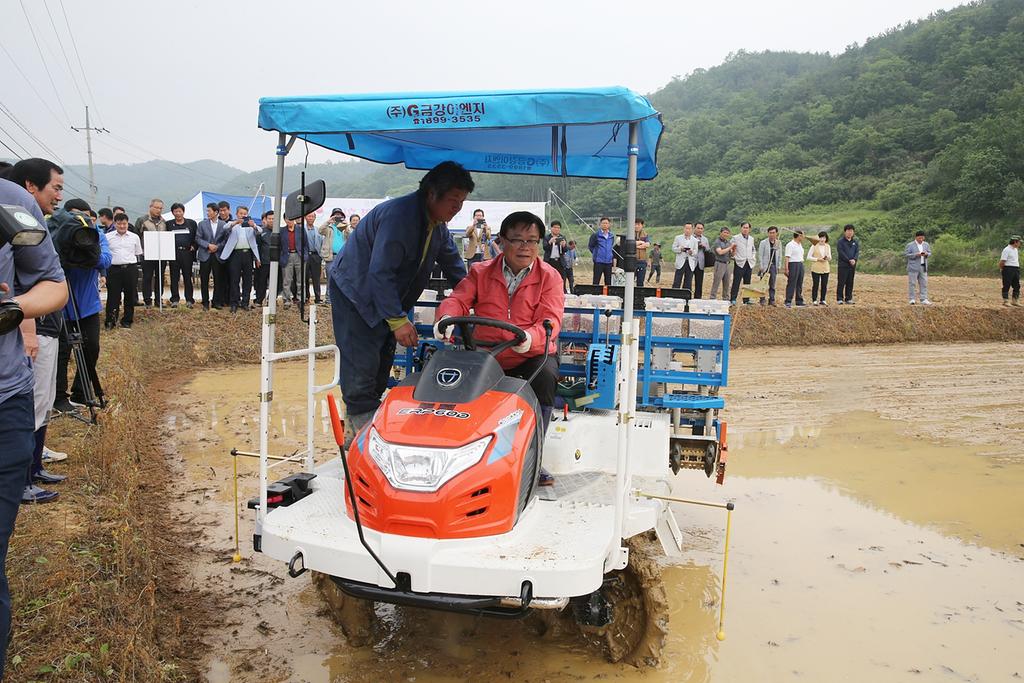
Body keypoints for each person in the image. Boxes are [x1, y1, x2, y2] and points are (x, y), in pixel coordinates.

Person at [329, 161, 470, 446]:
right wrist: (396, 319)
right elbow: (380, 271)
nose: (458, 208)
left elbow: (454, 266)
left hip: (387, 293)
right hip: (357, 292)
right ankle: (363, 435)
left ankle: (358, 424)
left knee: (382, 358)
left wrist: (474, 296)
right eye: (454, 201)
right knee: (362, 360)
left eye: (462, 202)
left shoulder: (437, 226)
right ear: (432, 194)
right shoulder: (400, 216)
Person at [435, 211, 564, 486]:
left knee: (545, 376)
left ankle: (533, 456)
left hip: (529, 353)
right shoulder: (480, 272)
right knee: (450, 379)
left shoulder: (549, 277)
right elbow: (458, 299)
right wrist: (446, 318)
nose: (525, 247)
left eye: (532, 240)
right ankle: (455, 452)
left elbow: (551, 318)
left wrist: (531, 337)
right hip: (485, 353)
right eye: (517, 240)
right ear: (501, 241)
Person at [0, 176, 69, 679]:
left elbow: (54, 284)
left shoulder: (11, 202)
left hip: (4, 403)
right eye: (56, 187)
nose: (58, 196)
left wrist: (15, 309)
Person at [52, 199, 111, 411]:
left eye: (86, 216)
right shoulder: (56, 235)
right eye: (76, 216)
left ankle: (80, 392)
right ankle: (58, 397)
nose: (82, 221)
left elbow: (105, 260)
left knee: (91, 347)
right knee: (61, 352)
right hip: (60, 304)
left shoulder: (96, 234)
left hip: (88, 305)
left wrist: (85, 254)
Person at [219, 206, 261, 313]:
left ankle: (245, 302)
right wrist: (235, 222)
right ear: (237, 214)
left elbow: (260, 231)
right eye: (241, 213)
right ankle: (234, 303)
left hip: (248, 254)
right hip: (235, 255)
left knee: (247, 280)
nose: (243, 215)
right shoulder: (233, 225)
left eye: (245, 213)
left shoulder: (250, 226)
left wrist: (254, 225)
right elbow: (225, 227)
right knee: (234, 279)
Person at [104, 213, 143, 328]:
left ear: (127, 223)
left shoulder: (134, 237)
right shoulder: (107, 237)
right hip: (113, 269)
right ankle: (111, 320)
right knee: (113, 296)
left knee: (130, 295)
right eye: (119, 224)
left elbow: (138, 253)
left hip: (130, 269)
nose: (122, 226)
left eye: (124, 224)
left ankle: (127, 320)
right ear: (115, 224)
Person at [135, 199, 166, 307]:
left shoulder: (163, 221)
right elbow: (136, 236)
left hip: (161, 255)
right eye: (156, 207)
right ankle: (147, 300)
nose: (158, 210)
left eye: (160, 208)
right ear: (150, 207)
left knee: (160, 277)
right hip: (146, 255)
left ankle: (158, 300)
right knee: (147, 277)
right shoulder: (142, 220)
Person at [195, 203, 225, 309]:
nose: (207, 213)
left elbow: (225, 240)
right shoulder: (202, 224)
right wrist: (208, 245)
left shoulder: (223, 224)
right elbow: (198, 238)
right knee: (204, 279)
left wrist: (217, 247)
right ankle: (205, 302)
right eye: (207, 211)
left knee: (218, 279)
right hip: (205, 254)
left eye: (209, 211)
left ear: (216, 212)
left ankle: (216, 301)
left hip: (217, 255)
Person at [167, 202, 198, 308]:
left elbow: (196, 237)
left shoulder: (191, 223)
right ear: (173, 213)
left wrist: (194, 246)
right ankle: (174, 299)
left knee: (187, 277)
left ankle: (189, 300)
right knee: (174, 277)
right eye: (176, 211)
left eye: (180, 211)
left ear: (183, 212)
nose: (178, 213)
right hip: (174, 253)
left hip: (187, 253)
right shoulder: (169, 224)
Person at [279, 217, 308, 307]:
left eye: (291, 219)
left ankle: (300, 299)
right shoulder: (282, 230)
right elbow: (279, 245)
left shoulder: (300, 229)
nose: (289, 221)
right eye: (287, 219)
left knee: (301, 279)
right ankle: (286, 300)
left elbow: (306, 244)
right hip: (287, 256)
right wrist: (281, 256)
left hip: (299, 255)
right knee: (287, 280)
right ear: (284, 220)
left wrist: (305, 255)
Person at [318, 208, 347, 291]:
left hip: (342, 257)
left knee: (342, 278)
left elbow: (351, 236)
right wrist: (328, 221)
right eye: (336, 215)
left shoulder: (344, 228)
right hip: (330, 257)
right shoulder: (329, 228)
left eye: (340, 215)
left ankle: (341, 299)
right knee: (330, 278)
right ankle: (328, 299)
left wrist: (346, 225)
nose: (338, 216)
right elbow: (320, 230)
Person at [729, 222, 756, 305]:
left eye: (747, 228)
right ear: (741, 228)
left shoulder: (751, 238)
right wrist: (734, 256)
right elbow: (731, 248)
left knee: (747, 281)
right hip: (740, 262)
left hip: (749, 262)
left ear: (749, 229)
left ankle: (746, 300)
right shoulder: (735, 238)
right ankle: (733, 299)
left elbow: (753, 249)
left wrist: (753, 257)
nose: (745, 229)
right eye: (744, 227)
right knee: (736, 281)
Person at [757, 226, 783, 306]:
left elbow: (780, 255)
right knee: (763, 283)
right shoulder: (763, 242)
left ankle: (771, 300)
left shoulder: (778, 243)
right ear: (768, 233)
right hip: (765, 266)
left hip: (773, 266)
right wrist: (761, 266)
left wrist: (778, 266)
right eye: (770, 233)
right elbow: (760, 255)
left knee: (772, 284)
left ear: (776, 233)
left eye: (773, 233)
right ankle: (762, 299)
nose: (772, 234)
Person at [254, 210, 275, 307]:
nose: (271, 221)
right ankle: (259, 300)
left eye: (273, 219)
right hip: (264, 261)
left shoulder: (279, 231)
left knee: (275, 283)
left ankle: (271, 300)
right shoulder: (261, 231)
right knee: (261, 282)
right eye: (269, 219)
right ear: (266, 220)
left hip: (276, 262)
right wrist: (257, 259)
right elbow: (256, 247)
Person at [905, 230, 932, 305]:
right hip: (913, 267)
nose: (921, 240)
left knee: (924, 283)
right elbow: (906, 254)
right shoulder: (910, 245)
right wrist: (916, 254)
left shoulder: (926, 244)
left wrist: (926, 254)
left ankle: (924, 299)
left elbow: (930, 253)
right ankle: (912, 299)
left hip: (923, 266)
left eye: (922, 238)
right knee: (912, 283)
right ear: (916, 237)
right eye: (919, 238)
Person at [671, 223, 698, 292]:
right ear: (684, 228)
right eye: (686, 228)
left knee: (688, 281)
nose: (688, 230)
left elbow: (696, 251)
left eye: (689, 228)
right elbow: (673, 248)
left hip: (690, 262)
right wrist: (680, 249)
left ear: (692, 229)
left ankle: (685, 297)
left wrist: (692, 252)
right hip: (681, 261)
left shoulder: (695, 240)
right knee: (677, 280)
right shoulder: (678, 238)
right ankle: (674, 294)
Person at [588, 217, 615, 286]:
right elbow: (590, 246)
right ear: (600, 224)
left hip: (608, 262)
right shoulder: (596, 235)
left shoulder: (611, 236)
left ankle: (607, 295)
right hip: (599, 261)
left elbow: (611, 246)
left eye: (606, 223)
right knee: (596, 280)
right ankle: (595, 294)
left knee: (608, 281)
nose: (605, 225)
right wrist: (596, 254)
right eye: (603, 223)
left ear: (609, 225)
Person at [304, 212, 324, 303]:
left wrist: (321, 256)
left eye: (312, 216)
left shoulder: (318, 230)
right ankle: (306, 297)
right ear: (305, 218)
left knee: (316, 278)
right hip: (305, 255)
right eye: (309, 216)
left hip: (316, 256)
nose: (311, 218)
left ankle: (317, 297)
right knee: (305, 277)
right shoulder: (302, 229)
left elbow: (322, 243)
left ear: (315, 218)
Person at [836, 224, 859, 304]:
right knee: (841, 282)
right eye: (848, 231)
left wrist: (854, 259)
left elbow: (857, 252)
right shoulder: (840, 242)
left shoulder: (855, 242)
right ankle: (839, 299)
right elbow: (841, 253)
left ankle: (848, 298)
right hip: (843, 265)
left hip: (852, 265)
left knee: (850, 282)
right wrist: (848, 260)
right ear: (845, 232)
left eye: (851, 231)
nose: (850, 232)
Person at [783, 230, 806, 307]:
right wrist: (786, 268)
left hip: (800, 263)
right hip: (793, 264)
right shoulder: (790, 244)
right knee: (792, 282)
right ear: (799, 236)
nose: (803, 237)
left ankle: (799, 300)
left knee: (799, 282)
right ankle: (788, 300)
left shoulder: (800, 245)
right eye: (802, 235)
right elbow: (787, 257)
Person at [709, 227, 733, 300]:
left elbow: (731, 255)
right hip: (719, 263)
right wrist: (730, 247)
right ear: (721, 233)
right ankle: (712, 297)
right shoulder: (717, 242)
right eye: (724, 232)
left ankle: (726, 298)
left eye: (727, 233)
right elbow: (720, 252)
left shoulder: (728, 242)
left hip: (727, 263)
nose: (726, 234)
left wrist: (733, 250)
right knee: (717, 282)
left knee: (727, 282)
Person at [808, 231, 831, 305]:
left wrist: (827, 258)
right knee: (816, 284)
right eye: (821, 237)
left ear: (826, 238)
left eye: (824, 237)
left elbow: (830, 257)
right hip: (816, 268)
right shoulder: (814, 246)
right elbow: (808, 257)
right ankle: (814, 300)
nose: (822, 239)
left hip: (825, 268)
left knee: (824, 284)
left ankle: (823, 299)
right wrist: (817, 259)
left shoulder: (827, 246)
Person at [999, 235, 1021, 306]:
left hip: (1015, 268)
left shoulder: (1015, 249)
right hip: (1008, 268)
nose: (1020, 244)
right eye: (1019, 242)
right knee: (1007, 284)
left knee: (1017, 285)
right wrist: (1002, 268)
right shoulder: (1006, 249)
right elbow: (1002, 261)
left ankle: (1015, 300)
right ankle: (1006, 301)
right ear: (1015, 242)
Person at [633, 219, 650, 285]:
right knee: (630, 280)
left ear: (642, 225)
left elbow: (647, 244)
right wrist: (640, 243)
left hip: (642, 261)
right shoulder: (629, 233)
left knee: (640, 281)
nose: (636, 226)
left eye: (638, 224)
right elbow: (627, 243)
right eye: (635, 224)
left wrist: (635, 246)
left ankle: (639, 295)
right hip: (632, 260)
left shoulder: (645, 234)